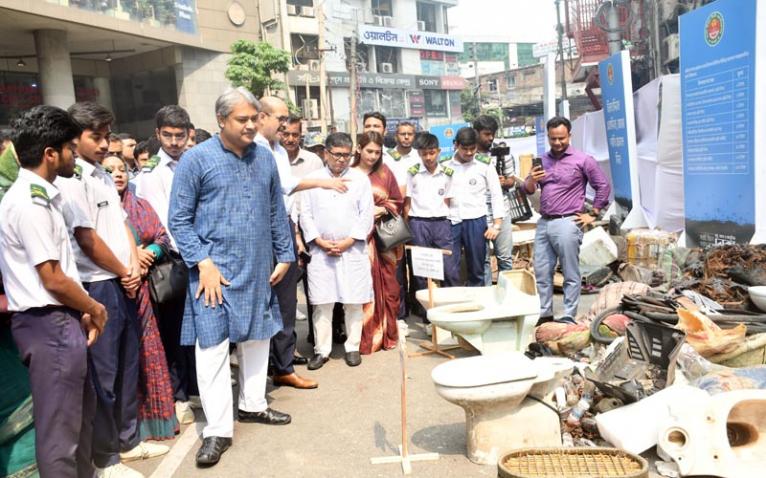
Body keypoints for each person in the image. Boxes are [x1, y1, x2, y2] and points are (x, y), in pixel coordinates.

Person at [169, 87, 295, 468]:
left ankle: (253, 405)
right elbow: (178, 219)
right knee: (211, 350)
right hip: (213, 274)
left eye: (255, 119)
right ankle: (218, 430)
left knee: (258, 338)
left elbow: (277, 209)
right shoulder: (196, 160)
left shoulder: (266, 159)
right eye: (243, 120)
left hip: (258, 267)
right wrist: (202, 263)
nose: (252, 126)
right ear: (221, 120)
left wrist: (285, 253)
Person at [55, 101, 165, 477]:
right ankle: (106, 458)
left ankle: (128, 440)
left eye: (106, 137)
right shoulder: (71, 181)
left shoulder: (102, 175)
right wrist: (123, 270)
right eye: (95, 137)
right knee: (102, 375)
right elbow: (88, 240)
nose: (104, 145)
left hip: (123, 282)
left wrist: (133, 266)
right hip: (97, 285)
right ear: (75, 137)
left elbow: (121, 231)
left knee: (125, 366)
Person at [0, 105, 106, 478]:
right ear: (50, 154)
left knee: (78, 421)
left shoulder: (41, 197)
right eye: (69, 149)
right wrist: (95, 307)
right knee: (60, 437)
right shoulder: (29, 203)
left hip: (59, 322)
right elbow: (53, 278)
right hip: (49, 323)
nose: (73, 156)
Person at [255, 97, 350, 389]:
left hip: (282, 225)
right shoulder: (254, 149)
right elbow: (285, 185)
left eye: (286, 121)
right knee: (261, 303)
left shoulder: (278, 150)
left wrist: (293, 233)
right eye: (280, 119)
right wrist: (323, 182)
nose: (284, 126)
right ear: (262, 117)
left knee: (286, 300)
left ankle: (283, 365)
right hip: (258, 230)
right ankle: (262, 371)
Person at [103, 155, 178, 441]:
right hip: (114, 289)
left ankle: (155, 423)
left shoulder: (141, 205)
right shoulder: (99, 211)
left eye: (122, 169)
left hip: (145, 291)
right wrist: (132, 256)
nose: (118, 175)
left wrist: (150, 253)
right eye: (110, 170)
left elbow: (162, 237)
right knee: (121, 363)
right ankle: (126, 433)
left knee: (149, 354)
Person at [134, 105, 198, 424]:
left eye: (180, 135)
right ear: (158, 134)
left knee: (198, 327)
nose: (174, 141)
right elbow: (162, 220)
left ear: (189, 134)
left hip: (200, 255)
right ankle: (179, 394)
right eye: (168, 135)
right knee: (174, 330)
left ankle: (196, 387)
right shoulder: (151, 174)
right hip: (174, 260)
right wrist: (189, 251)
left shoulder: (194, 162)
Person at [524, 116, 611, 323]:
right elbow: (527, 190)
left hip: (568, 221)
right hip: (544, 222)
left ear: (569, 136)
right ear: (548, 137)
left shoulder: (583, 160)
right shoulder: (542, 160)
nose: (557, 143)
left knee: (570, 272)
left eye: (561, 138)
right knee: (542, 271)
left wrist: (594, 213)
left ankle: (568, 316)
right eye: (553, 139)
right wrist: (531, 179)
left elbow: (603, 186)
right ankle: (545, 314)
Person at [299, 133, 374, 369]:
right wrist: (318, 241)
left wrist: (349, 241)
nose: (341, 160)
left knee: (353, 301)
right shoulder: (313, 179)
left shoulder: (360, 180)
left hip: (351, 250)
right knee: (323, 303)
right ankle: (322, 350)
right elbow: (305, 214)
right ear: (326, 153)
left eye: (346, 155)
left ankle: (353, 346)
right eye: (337, 154)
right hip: (321, 251)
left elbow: (366, 215)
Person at [352, 131, 402, 354]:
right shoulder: (349, 174)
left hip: (384, 237)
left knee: (390, 287)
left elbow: (397, 201)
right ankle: (366, 337)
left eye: (377, 152)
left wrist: (383, 208)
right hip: (358, 239)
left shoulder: (384, 172)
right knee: (363, 287)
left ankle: (388, 335)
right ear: (359, 149)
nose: (372, 156)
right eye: (369, 151)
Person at [441, 127, 505, 287]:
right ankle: (452, 304)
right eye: (465, 149)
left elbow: (496, 194)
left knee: (477, 269)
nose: (469, 153)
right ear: (456, 145)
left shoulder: (485, 165)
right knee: (449, 267)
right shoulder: (444, 165)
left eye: (472, 149)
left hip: (476, 221)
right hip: (451, 221)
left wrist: (496, 225)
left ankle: (478, 305)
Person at [280, 116, 323, 325]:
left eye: (294, 134)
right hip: (283, 227)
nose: (290, 138)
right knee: (286, 286)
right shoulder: (271, 158)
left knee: (315, 282)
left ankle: (318, 337)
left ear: (301, 136)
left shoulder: (313, 161)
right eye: (285, 133)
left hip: (311, 227)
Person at [404, 133, 454, 298]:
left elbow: (448, 200)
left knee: (449, 268)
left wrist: (444, 219)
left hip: (441, 224)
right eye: (424, 153)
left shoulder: (447, 173)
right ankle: (426, 313)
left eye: (432, 153)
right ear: (418, 153)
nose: (428, 157)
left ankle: (451, 305)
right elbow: (408, 201)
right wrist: (407, 224)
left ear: (438, 151)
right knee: (421, 268)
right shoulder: (413, 173)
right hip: (418, 223)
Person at [473, 115, 517, 285]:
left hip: (502, 212)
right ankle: (486, 299)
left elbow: (512, 179)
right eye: (486, 134)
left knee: (505, 259)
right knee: (482, 261)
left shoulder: (502, 153)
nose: (490, 138)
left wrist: (504, 182)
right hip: (479, 213)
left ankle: (507, 298)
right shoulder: (469, 154)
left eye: (493, 134)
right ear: (476, 133)